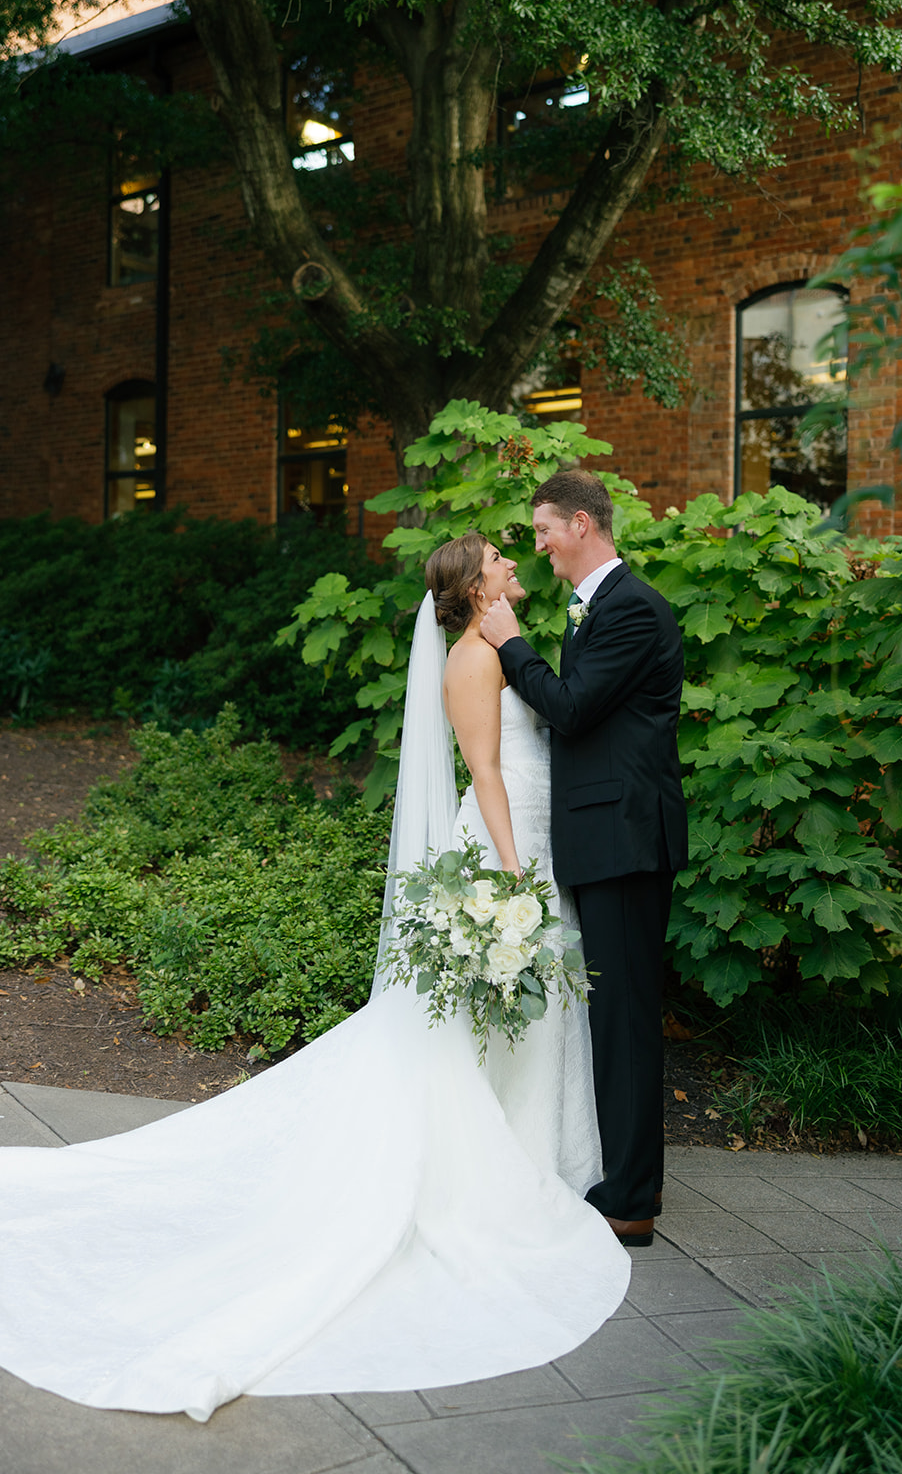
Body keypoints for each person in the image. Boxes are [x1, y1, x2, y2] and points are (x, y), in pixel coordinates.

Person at [0, 535, 628, 1422]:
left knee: (510, 1021)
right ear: (474, 586)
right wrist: (514, 870)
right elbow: (486, 769)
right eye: (498, 558)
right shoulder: (468, 664)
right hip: (503, 846)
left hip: (530, 838)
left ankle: (535, 1155)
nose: (513, 563)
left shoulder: (502, 646)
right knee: (471, 1026)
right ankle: (495, 1168)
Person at [480, 471, 688, 1248]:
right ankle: (627, 1177)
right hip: (605, 840)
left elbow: (570, 709)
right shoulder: (596, 606)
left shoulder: (631, 608)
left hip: (626, 840)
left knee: (626, 1019)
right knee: (614, 1016)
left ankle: (631, 1200)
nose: (536, 547)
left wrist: (510, 645)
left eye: (542, 531)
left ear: (579, 523)